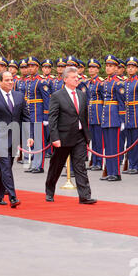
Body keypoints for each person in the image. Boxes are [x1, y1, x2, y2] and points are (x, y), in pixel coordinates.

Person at [0, 71, 33, 208]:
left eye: (12, 79)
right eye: (7, 80)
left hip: (14, 137)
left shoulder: (19, 96)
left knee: (7, 167)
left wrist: (29, 136)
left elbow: (26, 117)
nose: (10, 82)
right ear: (0, 81)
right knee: (5, 166)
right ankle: (13, 197)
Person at [44, 66, 96, 205]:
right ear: (65, 79)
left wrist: (86, 135)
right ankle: (49, 191)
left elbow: (84, 116)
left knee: (80, 166)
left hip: (79, 136)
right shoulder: (57, 96)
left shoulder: (81, 94)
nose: (77, 79)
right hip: (63, 137)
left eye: (78, 77)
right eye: (74, 77)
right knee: (56, 166)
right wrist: (54, 138)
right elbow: (52, 118)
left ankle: (84, 195)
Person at [100, 55, 126, 181]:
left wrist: (122, 120)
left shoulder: (119, 83)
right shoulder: (105, 82)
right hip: (106, 116)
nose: (108, 68)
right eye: (107, 65)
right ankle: (109, 171)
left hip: (114, 117)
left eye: (111, 66)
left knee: (114, 146)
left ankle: (116, 173)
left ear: (116, 68)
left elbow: (122, 102)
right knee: (108, 147)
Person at [122, 57, 138, 175]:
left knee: (137, 143)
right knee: (130, 142)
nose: (130, 69)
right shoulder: (126, 83)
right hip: (128, 116)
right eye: (128, 67)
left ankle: (137, 166)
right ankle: (131, 164)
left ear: (137, 69)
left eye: (132, 67)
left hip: (137, 116)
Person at [86, 58, 104, 171]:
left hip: (98, 113)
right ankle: (94, 161)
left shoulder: (101, 83)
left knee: (98, 140)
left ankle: (99, 162)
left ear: (97, 70)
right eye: (90, 67)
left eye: (93, 68)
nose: (91, 69)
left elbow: (104, 100)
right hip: (90, 114)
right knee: (92, 140)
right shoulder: (88, 83)